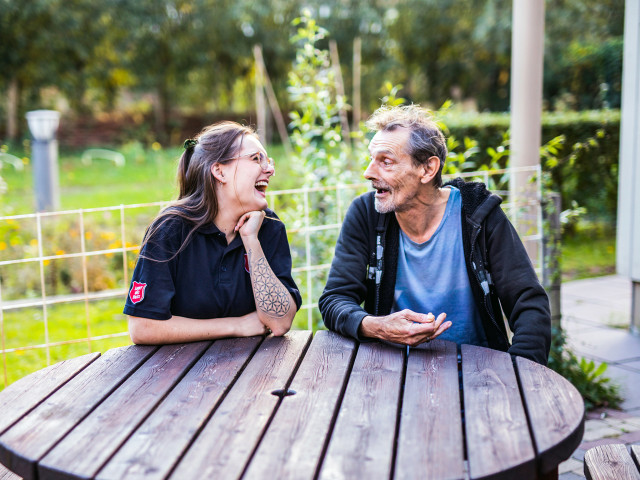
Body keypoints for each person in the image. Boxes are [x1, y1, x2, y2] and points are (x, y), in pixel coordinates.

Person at [319, 105, 551, 365]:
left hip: (480, 373)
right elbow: (334, 299)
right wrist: (378, 326)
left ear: (428, 169)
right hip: (390, 373)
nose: (369, 173)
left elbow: (529, 305)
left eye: (386, 161)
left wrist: (521, 376)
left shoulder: (479, 216)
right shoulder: (366, 214)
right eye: (371, 159)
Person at [124, 121, 301, 344]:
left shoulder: (269, 228)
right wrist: (235, 325)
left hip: (254, 371)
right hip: (178, 372)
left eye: (268, 160)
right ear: (219, 171)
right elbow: (142, 327)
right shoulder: (170, 230)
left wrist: (251, 240)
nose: (270, 169)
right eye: (256, 159)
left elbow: (280, 322)